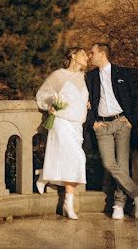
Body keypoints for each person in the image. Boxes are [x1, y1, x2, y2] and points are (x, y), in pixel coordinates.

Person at [85, 42, 138, 220]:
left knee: (122, 165)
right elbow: (85, 101)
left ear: (102, 55)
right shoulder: (90, 77)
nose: (90, 56)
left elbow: (136, 98)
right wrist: (93, 123)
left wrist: (131, 120)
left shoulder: (123, 73)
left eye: (92, 53)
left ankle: (119, 204)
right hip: (102, 126)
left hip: (122, 123)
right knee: (108, 163)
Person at [35, 46, 89, 219]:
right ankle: (68, 203)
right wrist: (50, 105)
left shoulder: (83, 77)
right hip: (61, 121)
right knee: (77, 159)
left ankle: (45, 175)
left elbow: (80, 98)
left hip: (77, 125)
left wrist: (85, 103)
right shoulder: (59, 75)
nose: (87, 57)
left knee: (71, 161)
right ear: (73, 56)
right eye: (83, 54)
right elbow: (42, 95)